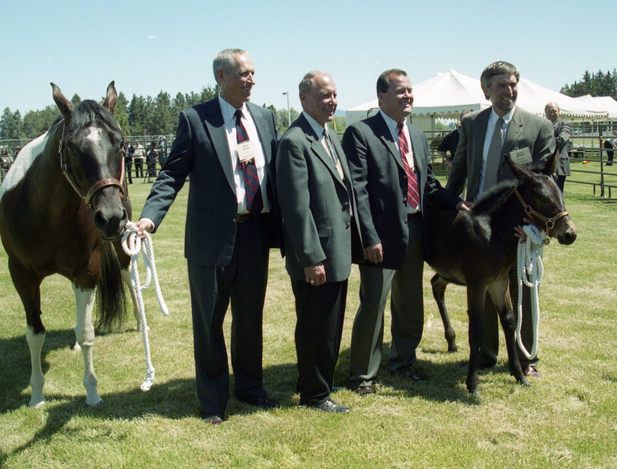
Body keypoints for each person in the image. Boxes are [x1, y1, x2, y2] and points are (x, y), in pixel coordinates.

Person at [132, 49, 281, 425]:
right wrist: (150, 218)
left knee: (250, 319)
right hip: (210, 241)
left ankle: (250, 388)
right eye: (243, 74)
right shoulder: (195, 119)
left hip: (254, 236)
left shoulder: (264, 117)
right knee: (210, 321)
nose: (251, 80)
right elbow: (171, 175)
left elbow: (277, 173)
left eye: (253, 73)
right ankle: (213, 401)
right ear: (220, 76)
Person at [344, 69, 468, 396]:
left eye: (410, 91)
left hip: (414, 231)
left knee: (410, 304)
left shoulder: (416, 136)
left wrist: (456, 204)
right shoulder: (360, 133)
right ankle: (363, 376)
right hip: (380, 236)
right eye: (400, 92)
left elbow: (427, 184)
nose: (408, 96)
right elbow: (357, 191)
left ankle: (403, 362)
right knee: (374, 303)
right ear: (381, 97)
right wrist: (368, 237)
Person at [446, 61, 555, 378]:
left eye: (512, 84)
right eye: (501, 85)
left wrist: (537, 228)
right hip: (478, 225)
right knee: (482, 286)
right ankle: (487, 354)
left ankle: (525, 359)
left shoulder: (537, 127)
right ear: (486, 90)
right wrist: (451, 203)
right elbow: (460, 170)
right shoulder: (472, 124)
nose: (509, 90)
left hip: (521, 227)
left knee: (522, 290)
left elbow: (549, 182)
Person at [276, 71, 363, 413]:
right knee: (318, 327)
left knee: (325, 324)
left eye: (335, 95)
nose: (333, 101)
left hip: (336, 250)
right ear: (304, 99)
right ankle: (315, 394)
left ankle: (315, 381)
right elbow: (296, 208)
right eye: (325, 95)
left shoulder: (328, 135)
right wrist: (312, 258)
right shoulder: (294, 141)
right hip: (318, 256)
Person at [545, 102, 571, 192]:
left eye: (554, 111)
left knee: (558, 194)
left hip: (559, 166)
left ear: (559, 111)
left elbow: (561, 140)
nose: (552, 114)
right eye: (549, 112)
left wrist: (543, 141)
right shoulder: (542, 125)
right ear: (545, 112)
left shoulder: (564, 124)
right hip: (545, 166)